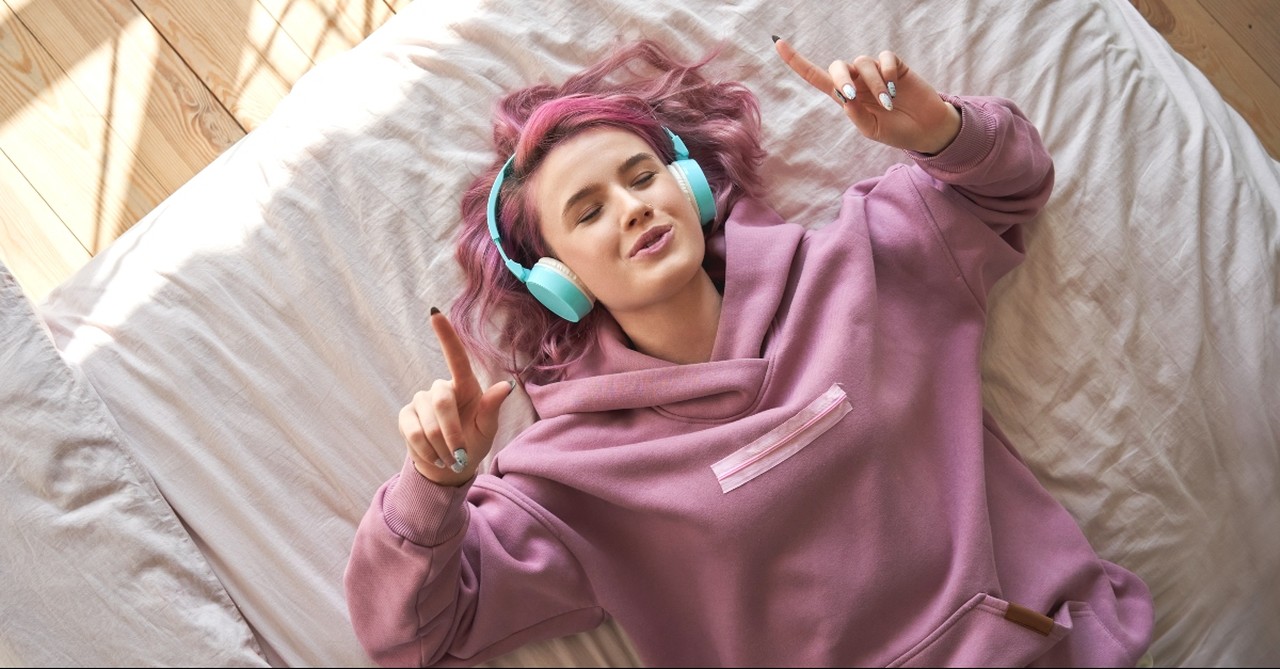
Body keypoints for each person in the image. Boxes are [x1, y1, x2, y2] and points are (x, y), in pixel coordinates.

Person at [344, 35, 1155, 667]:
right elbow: (413, 636)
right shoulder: (570, 477)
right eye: (588, 211)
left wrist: (942, 129)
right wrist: (433, 485)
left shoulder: (864, 262)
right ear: (556, 279)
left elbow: (1010, 185)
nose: (631, 208)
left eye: (641, 176)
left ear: (691, 188)